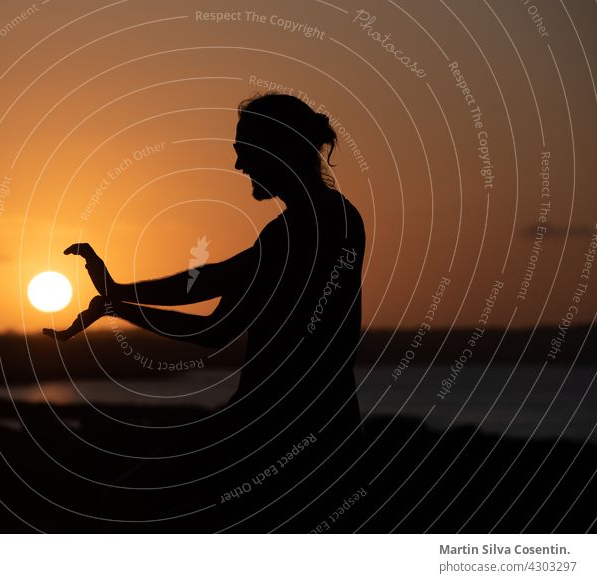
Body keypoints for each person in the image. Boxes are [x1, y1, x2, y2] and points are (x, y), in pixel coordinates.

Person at [44, 93, 368, 532]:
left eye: (244, 152)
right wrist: (117, 295)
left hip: (269, 427)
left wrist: (116, 302)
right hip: (321, 422)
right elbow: (216, 283)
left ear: (276, 149)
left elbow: (217, 320)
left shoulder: (300, 229)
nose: (239, 166)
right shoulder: (331, 218)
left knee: (125, 505)